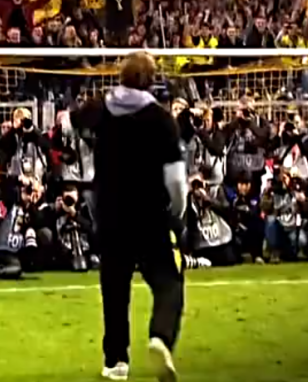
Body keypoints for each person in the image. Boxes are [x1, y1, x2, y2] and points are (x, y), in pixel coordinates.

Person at [65, 51, 186, 382]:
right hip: (150, 214)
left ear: (121, 76)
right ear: (151, 80)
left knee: (114, 288)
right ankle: (161, 336)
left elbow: (69, 122)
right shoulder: (161, 119)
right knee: (168, 281)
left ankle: (116, 360)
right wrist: (177, 211)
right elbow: (175, 178)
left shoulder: (100, 108)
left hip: (111, 213)